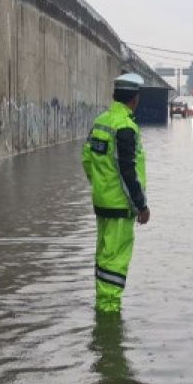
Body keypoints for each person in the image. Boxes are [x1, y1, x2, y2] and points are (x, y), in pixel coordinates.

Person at [82, 72, 150, 313]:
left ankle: (102, 305)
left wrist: (100, 186)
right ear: (135, 99)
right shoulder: (125, 127)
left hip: (102, 203)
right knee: (115, 260)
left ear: (115, 95)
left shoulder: (101, 121)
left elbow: (87, 158)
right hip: (121, 207)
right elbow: (127, 171)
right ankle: (109, 318)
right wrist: (141, 206)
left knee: (103, 255)